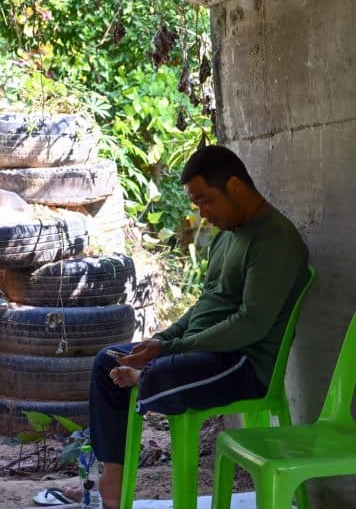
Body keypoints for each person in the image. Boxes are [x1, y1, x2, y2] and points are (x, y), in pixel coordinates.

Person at [57, 144, 310, 509]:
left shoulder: (275, 241)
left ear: (236, 187)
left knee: (160, 374)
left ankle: (146, 379)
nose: (203, 214)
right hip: (203, 352)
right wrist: (161, 340)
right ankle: (110, 488)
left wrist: (168, 352)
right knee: (108, 362)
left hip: (245, 363)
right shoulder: (226, 236)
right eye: (197, 204)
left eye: (207, 201)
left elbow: (251, 325)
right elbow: (204, 308)